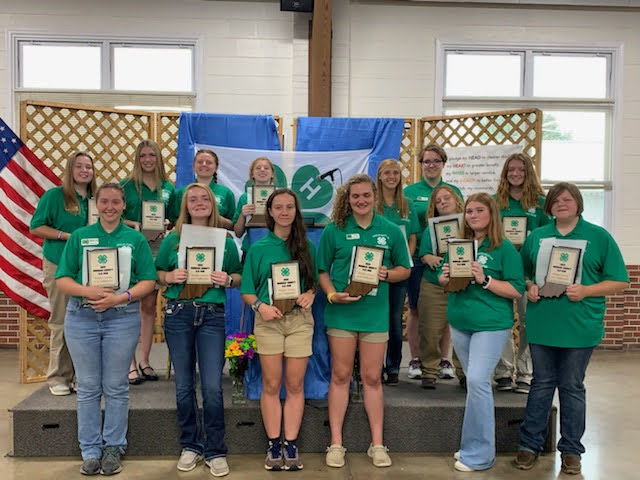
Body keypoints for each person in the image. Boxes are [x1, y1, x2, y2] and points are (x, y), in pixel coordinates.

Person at [513, 182, 628, 476]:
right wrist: (528, 286)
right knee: (540, 385)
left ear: (578, 203)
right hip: (542, 324)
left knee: (572, 387)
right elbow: (523, 271)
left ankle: (572, 450)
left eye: (567, 199)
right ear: (548, 206)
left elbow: (620, 280)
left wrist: (587, 290)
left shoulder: (598, 237)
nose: (561, 204)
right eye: (556, 200)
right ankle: (529, 446)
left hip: (580, 325)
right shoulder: (538, 237)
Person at [55, 182, 157, 476]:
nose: (110, 207)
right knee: (87, 387)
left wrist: (119, 298)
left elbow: (147, 281)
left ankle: (114, 446)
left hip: (122, 317)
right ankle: (89, 450)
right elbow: (63, 279)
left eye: (116, 202)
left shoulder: (134, 239)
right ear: (96, 205)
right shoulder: (80, 236)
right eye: (105, 202)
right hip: (82, 316)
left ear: (124, 206)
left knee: (116, 386)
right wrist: (87, 291)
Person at [318, 174, 411, 468]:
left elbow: (405, 269)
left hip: (374, 316)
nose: (361, 201)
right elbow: (322, 271)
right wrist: (333, 295)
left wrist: (387, 274)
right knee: (341, 376)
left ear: (374, 197)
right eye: (355, 196)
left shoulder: (391, 230)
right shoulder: (333, 230)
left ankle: (377, 444)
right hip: (342, 314)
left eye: (366, 196)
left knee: (372, 378)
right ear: (348, 199)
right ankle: (335, 444)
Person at [156, 183, 242, 477]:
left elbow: (239, 276)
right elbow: (156, 274)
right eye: (192, 198)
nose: (199, 202)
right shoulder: (173, 239)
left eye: (204, 198)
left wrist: (227, 280)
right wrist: (168, 275)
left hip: (212, 316)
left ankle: (215, 449)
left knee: (212, 388)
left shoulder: (225, 241)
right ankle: (190, 444)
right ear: (185, 205)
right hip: (178, 314)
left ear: (212, 203)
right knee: (183, 386)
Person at [438, 193, 524, 472]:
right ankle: (469, 447)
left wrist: (485, 280)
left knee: (477, 381)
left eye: (479, 210)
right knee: (475, 385)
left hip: (491, 324)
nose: (473, 215)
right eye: (470, 211)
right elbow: (441, 278)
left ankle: (481, 455)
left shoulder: (505, 249)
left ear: (492, 214)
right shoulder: (458, 245)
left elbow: (515, 289)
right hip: (460, 322)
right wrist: (447, 274)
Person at [241, 188, 317, 471]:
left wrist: (310, 294)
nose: (284, 212)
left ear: (296, 212)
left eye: (290, 207)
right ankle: (274, 444)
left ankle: (291, 443)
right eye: (279, 207)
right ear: (270, 212)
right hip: (269, 322)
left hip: (299, 322)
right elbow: (248, 291)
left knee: (295, 385)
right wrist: (260, 306)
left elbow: (314, 283)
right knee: (272, 385)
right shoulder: (258, 248)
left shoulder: (307, 247)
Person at [30, 151, 97, 396]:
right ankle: (58, 376)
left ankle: (82, 375)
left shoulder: (96, 199)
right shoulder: (54, 196)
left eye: (88, 167)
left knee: (87, 323)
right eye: (79, 166)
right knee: (62, 321)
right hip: (59, 264)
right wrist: (65, 236)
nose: (84, 171)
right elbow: (36, 227)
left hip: (88, 267)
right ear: (70, 170)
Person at [403, 144, 463, 380]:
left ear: (443, 163)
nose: (431, 165)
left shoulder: (453, 189)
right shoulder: (410, 192)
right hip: (420, 259)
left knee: (447, 311)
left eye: (436, 161)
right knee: (417, 309)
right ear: (420, 164)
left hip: (450, 262)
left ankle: (443, 359)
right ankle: (417, 358)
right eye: (426, 161)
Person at [493, 152, 550, 394]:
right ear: (505, 174)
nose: (515, 174)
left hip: (530, 273)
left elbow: (548, 237)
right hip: (502, 271)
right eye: (511, 170)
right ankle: (504, 371)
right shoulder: (496, 202)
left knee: (529, 322)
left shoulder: (540, 203)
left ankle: (526, 372)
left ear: (529, 173)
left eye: (521, 170)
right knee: (502, 320)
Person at [120, 139, 175, 385]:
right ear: (137, 159)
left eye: (152, 155)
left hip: (157, 248)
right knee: (129, 304)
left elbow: (174, 218)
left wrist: (168, 225)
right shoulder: (126, 186)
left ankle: (145, 360)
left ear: (158, 158)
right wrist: (134, 225)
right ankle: (129, 363)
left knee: (149, 305)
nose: (148, 160)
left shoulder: (168, 187)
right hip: (131, 248)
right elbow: (111, 217)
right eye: (143, 156)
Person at [374, 159, 420, 385]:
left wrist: (406, 260)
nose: (392, 177)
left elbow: (412, 237)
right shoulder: (372, 203)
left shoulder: (407, 203)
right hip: (373, 270)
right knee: (375, 318)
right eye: (387, 173)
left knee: (393, 319)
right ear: (379, 176)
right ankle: (373, 366)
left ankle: (392, 366)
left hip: (398, 271)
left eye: (396, 173)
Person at [417, 185, 465, 389]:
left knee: (463, 332)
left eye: (447, 198)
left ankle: (464, 372)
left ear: (457, 200)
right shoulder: (430, 228)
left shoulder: (468, 225)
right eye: (438, 201)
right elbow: (423, 253)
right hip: (434, 284)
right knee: (430, 330)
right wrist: (427, 257)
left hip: (463, 286)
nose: (443, 202)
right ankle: (429, 370)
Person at [169, 149, 235, 229]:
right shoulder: (182, 192)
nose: (204, 164)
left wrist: (215, 218)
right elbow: (173, 220)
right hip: (188, 237)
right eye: (200, 162)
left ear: (216, 167)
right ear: (193, 166)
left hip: (217, 238)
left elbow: (233, 225)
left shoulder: (226, 193)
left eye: (209, 162)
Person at [233, 156, 276, 256]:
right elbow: (238, 233)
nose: (262, 170)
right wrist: (243, 215)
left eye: (266, 168)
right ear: (252, 174)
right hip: (250, 249)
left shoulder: (280, 196)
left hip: (275, 248)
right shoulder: (245, 198)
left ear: (272, 174)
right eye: (258, 168)